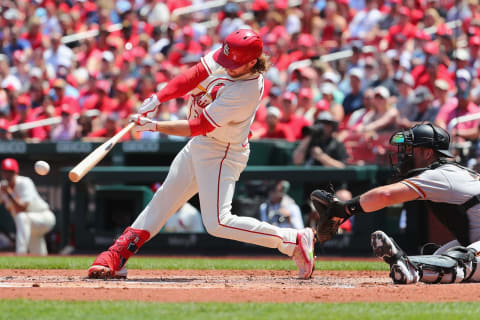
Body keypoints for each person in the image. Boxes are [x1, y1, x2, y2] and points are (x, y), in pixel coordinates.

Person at [87, 29, 315, 280]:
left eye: (234, 64)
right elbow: (193, 75)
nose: (226, 67)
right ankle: (117, 255)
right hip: (201, 144)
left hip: (221, 151)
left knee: (218, 222)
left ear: (252, 62)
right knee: (163, 200)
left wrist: (155, 126)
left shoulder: (247, 90)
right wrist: (159, 97)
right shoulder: (228, 57)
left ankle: (292, 240)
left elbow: (201, 125)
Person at [311, 123, 480, 284]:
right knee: (441, 256)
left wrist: (345, 208)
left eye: (410, 149)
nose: (404, 154)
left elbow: (385, 195)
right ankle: (409, 264)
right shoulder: (448, 172)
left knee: (464, 260)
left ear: (428, 154)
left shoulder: (440, 174)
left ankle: (412, 268)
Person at [0, 158, 55, 255]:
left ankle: (20, 253)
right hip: (29, 225)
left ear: (16, 172)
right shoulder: (2, 187)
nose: (7, 175)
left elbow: (22, 208)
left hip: (44, 217)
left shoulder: (24, 182)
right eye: (5, 171)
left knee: (21, 217)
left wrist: (9, 193)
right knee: (39, 256)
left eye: (10, 172)